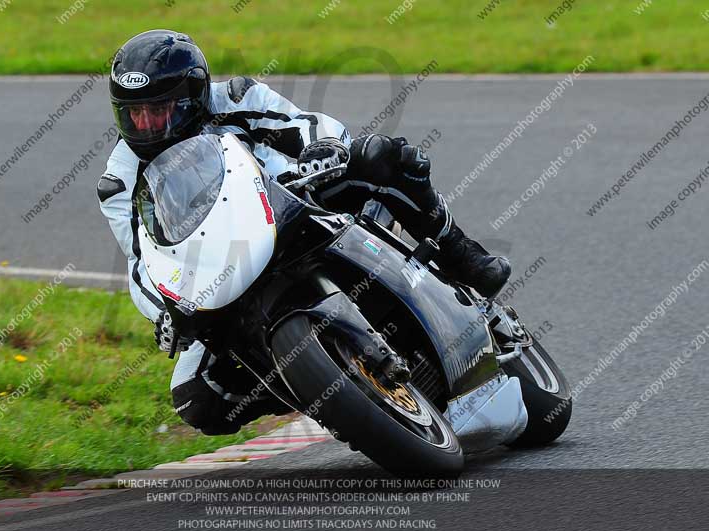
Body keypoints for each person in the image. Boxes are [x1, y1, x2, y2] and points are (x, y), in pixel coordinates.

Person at [97, 30, 511, 435]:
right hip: (223, 269)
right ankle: (315, 384)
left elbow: (302, 123)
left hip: (296, 205)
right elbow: (143, 263)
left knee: (380, 157)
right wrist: (163, 310)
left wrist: (322, 148)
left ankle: (462, 255)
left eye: (159, 109)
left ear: (194, 97)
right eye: (134, 113)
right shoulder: (119, 181)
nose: (147, 124)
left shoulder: (236, 98)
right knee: (196, 397)